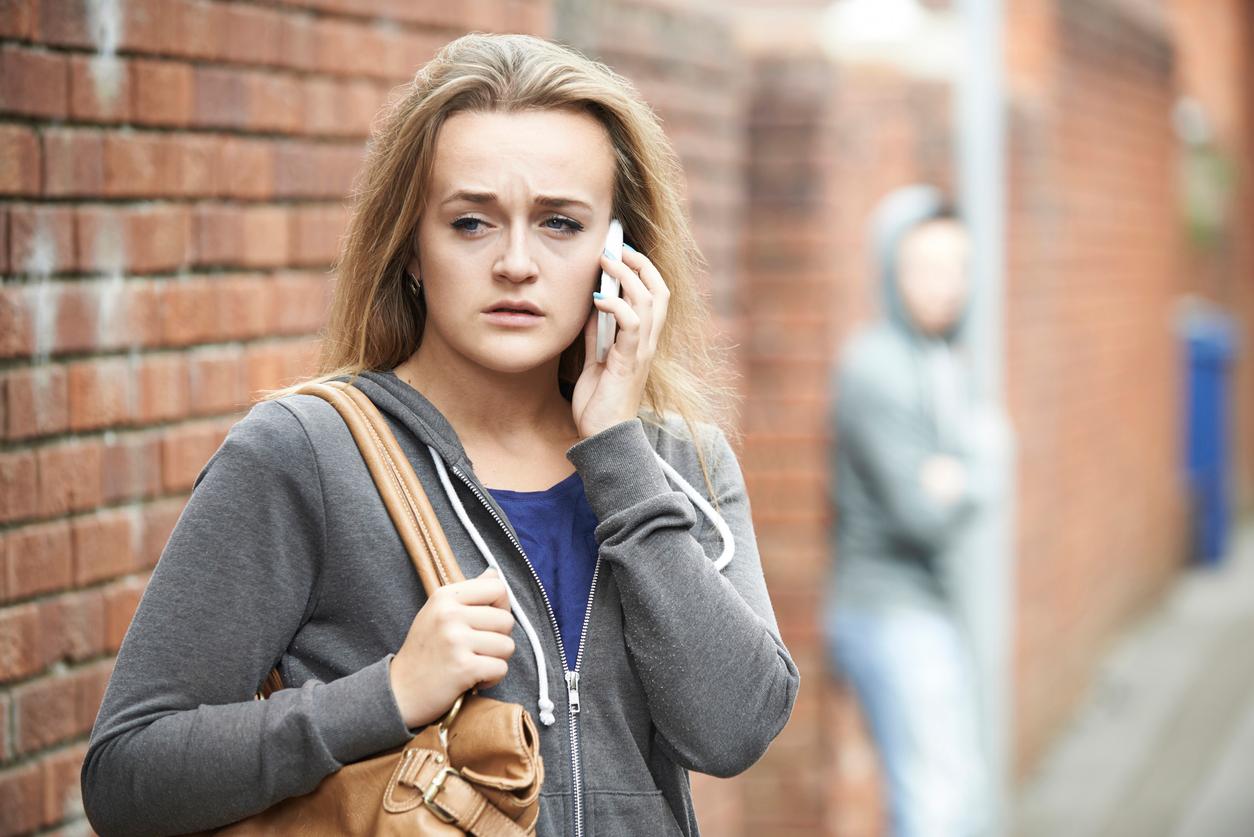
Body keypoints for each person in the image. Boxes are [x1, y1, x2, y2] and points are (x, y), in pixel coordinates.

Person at [81, 33, 799, 837]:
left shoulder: (679, 463)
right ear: (413, 248)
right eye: (471, 223)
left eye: (561, 223)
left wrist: (618, 454)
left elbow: (735, 729)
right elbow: (126, 774)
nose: (517, 262)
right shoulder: (306, 453)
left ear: (618, 255)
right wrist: (384, 694)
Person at [823, 185, 1000, 837]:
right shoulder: (878, 368)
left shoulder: (938, 360)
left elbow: (971, 473)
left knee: (959, 794)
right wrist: (972, 468)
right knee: (935, 807)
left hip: (926, 605)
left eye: (959, 269)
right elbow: (922, 513)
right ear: (892, 271)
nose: (946, 286)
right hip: (887, 611)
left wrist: (963, 473)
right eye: (927, 268)